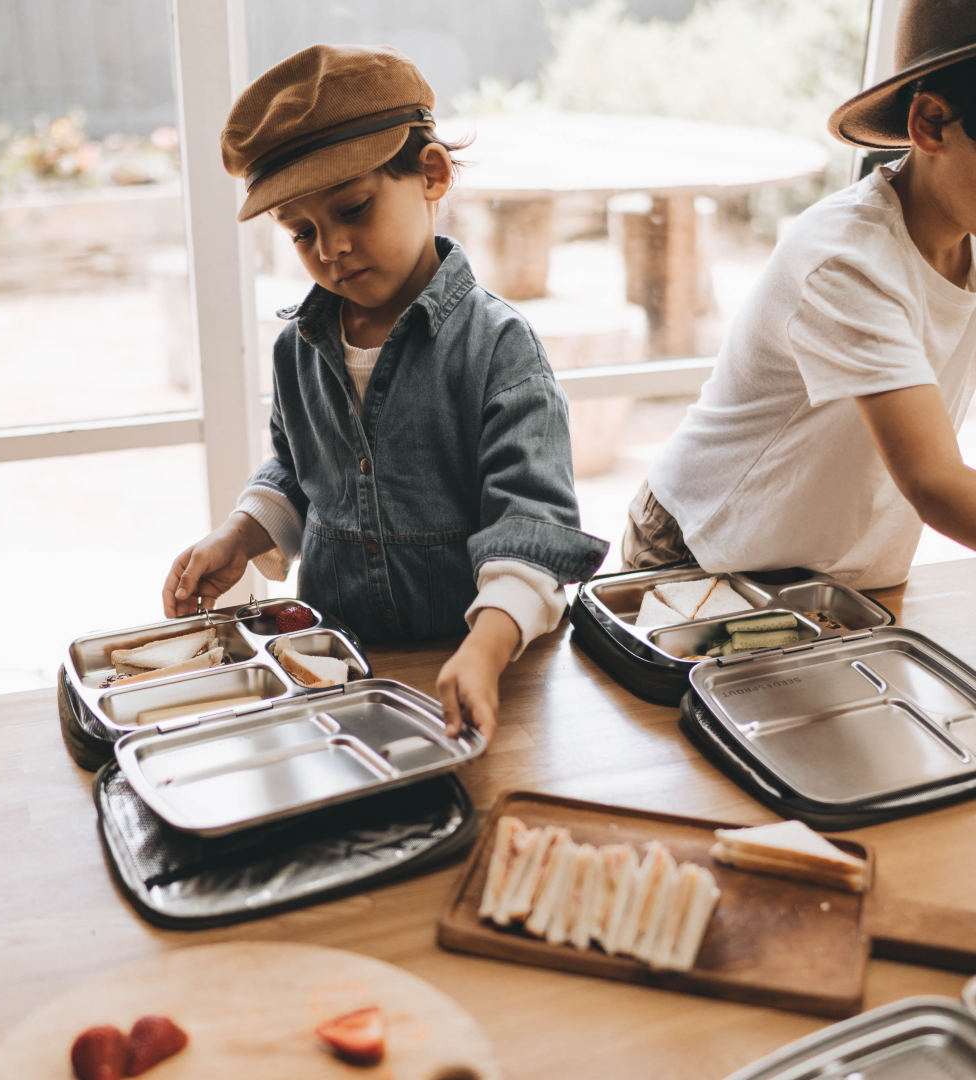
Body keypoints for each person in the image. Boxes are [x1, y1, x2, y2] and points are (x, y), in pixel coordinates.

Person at [162, 45, 607, 742]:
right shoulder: (298, 347)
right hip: (343, 680)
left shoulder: (498, 348)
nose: (330, 248)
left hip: (476, 675)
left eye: (353, 209)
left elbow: (534, 526)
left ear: (432, 174)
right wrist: (239, 536)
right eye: (303, 232)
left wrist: (486, 649)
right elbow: (295, 469)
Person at [623, 0, 976, 591]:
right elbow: (933, 483)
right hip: (707, 548)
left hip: (833, 569)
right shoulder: (849, 259)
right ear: (929, 124)